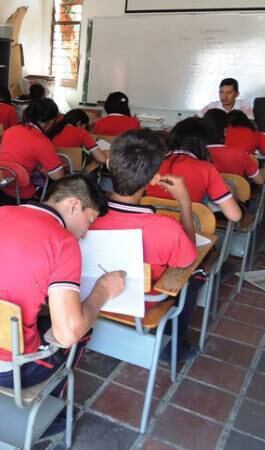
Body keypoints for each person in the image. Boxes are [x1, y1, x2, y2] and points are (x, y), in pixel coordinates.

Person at [0, 174, 125, 388]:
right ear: (73, 205)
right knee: (82, 327)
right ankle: (56, 418)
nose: (86, 233)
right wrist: (102, 291)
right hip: (9, 369)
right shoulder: (64, 242)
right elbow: (68, 334)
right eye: (88, 221)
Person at [90, 129, 200, 360]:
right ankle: (175, 347)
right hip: (142, 305)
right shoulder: (166, 228)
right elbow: (188, 261)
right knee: (196, 275)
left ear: (108, 163)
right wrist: (185, 203)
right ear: (154, 179)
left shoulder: (84, 213)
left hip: (89, 297)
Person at [145, 117, 242, 221]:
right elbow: (235, 216)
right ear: (202, 143)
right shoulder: (207, 169)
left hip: (150, 225)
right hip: (188, 228)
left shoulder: (152, 162)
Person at [0, 98, 65, 204]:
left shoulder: (10, 131)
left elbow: (18, 156)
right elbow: (58, 176)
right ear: (51, 121)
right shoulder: (41, 141)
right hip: (21, 194)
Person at [203, 109, 264, 184]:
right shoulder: (240, 154)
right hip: (236, 194)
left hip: (206, 194)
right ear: (225, 131)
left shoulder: (198, 154)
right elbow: (260, 181)